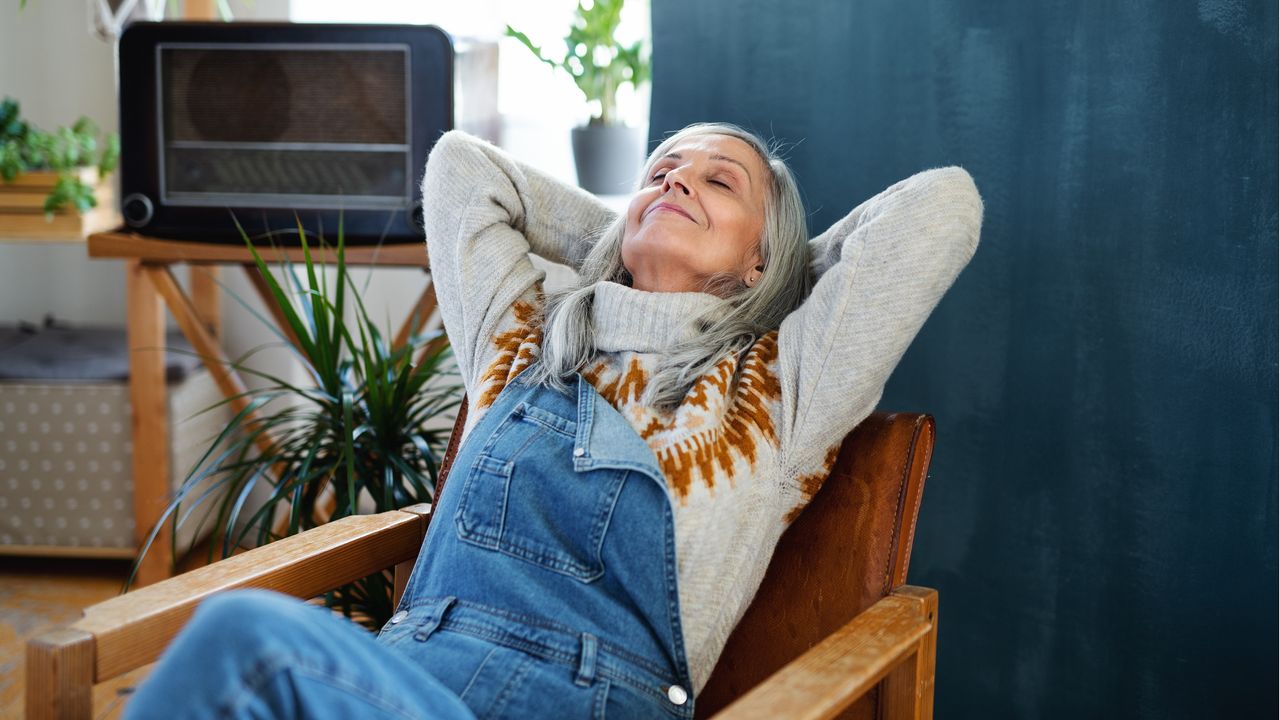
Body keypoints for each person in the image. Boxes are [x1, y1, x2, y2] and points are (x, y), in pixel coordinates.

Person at [124, 123, 982, 719]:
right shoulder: (522, 336)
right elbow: (463, 168)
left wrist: (782, 276)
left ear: (765, 255)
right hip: (404, 680)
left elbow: (944, 207)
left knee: (243, 641)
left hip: (585, 703)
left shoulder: (775, 390)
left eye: (717, 180)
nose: (676, 178)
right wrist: (632, 234)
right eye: (660, 170)